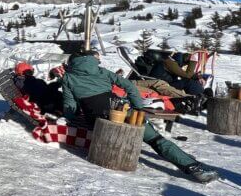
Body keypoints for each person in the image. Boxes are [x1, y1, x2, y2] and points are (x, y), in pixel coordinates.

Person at [61, 52, 217, 183]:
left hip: (97, 120)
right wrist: (138, 107)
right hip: (122, 109)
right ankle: (192, 167)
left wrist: (72, 117)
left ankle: (186, 161)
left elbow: (70, 105)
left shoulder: (68, 78)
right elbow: (129, 86)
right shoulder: (102, 71)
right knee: (155, 139)